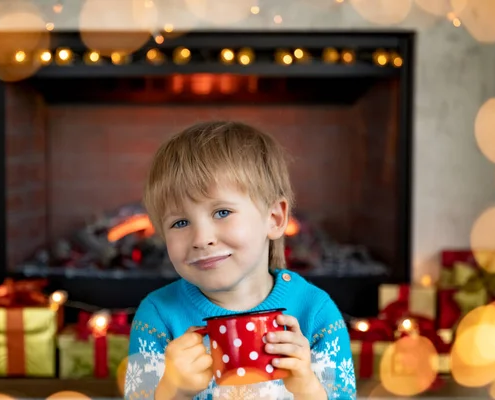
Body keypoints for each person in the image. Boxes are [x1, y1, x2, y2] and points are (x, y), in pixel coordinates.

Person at [124, 121, 356, 400]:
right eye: (180, 222)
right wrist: (174, 391)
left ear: (275, 218)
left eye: (222, 212)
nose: (201, 238)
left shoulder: (315, 312)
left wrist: (307, 388)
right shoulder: (157, 316)